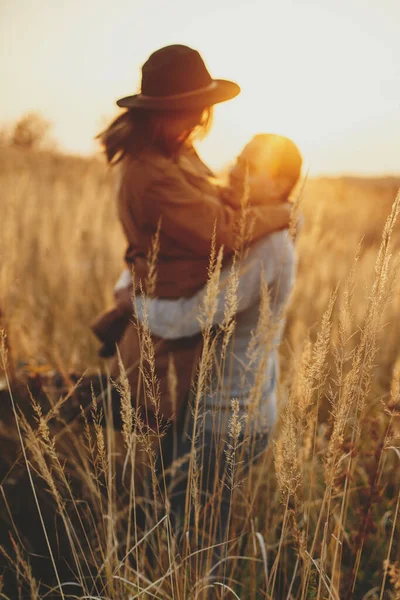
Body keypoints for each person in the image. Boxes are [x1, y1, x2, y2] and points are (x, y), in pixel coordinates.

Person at [91, 45, 292, 433]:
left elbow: (207, 203)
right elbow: (221, 231)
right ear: (165, 111)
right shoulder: (150, 171)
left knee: (172, 451)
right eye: (195, 106)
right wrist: (282, 213)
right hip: (166, 330)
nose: (202, 117)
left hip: (172, 317)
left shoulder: (173, 149)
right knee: (161, 453)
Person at [131, 133, 302, 557]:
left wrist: (133, 302)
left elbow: (198, 315)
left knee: (196, 546)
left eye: (250, 165)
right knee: (168, 525)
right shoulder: (243, 228)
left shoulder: (271, 246)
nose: (235, 169)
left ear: (280, 185)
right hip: (207, 410)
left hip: (226, 422)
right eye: (238, 159)